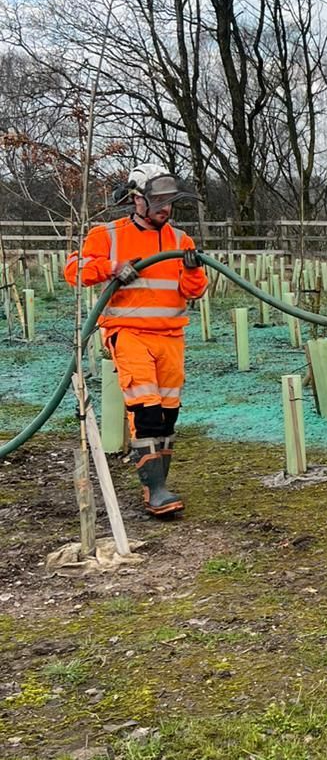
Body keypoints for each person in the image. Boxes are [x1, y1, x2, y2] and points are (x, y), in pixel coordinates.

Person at [65, 165, 208, 518]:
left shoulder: (180, 240)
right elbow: (74, 270)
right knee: (146, 408)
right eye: (157, 201)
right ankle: (155, 489)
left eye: (169, 202)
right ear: (136, 199)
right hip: (128, 333)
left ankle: (157, 485)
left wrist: (191, 269)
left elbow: (195, 290)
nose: (165, 209)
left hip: (170, 336)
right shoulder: (108, 235)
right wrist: (113, 267)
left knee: (168, 413)